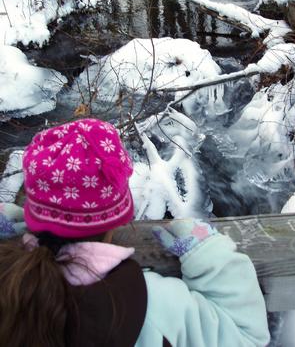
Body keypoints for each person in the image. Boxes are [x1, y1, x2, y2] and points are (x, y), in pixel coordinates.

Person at [0, 118, 270, 347]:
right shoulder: (154, 305)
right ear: (116, 219)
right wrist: (210, 254)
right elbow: (246, 337)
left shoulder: (8, 279)